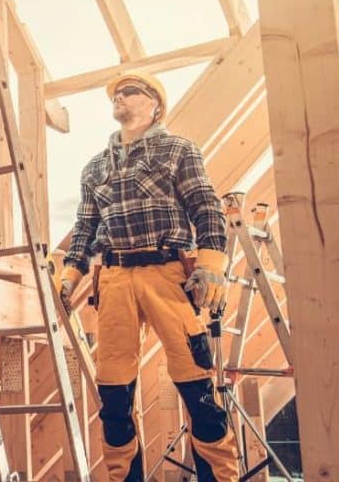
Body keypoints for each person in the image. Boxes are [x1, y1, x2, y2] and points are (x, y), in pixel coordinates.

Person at [59, 71, 238, 481]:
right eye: (116, 94)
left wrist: (211, 265)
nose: (119, 97)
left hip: (168, 274)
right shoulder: (95, 168)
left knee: (197, 388)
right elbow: (85, 228)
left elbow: (206, 207)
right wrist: (70, 274)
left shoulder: (177, 150)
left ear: (155, 104)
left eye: (130, 91)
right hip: (115, 280)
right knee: (114, 395)